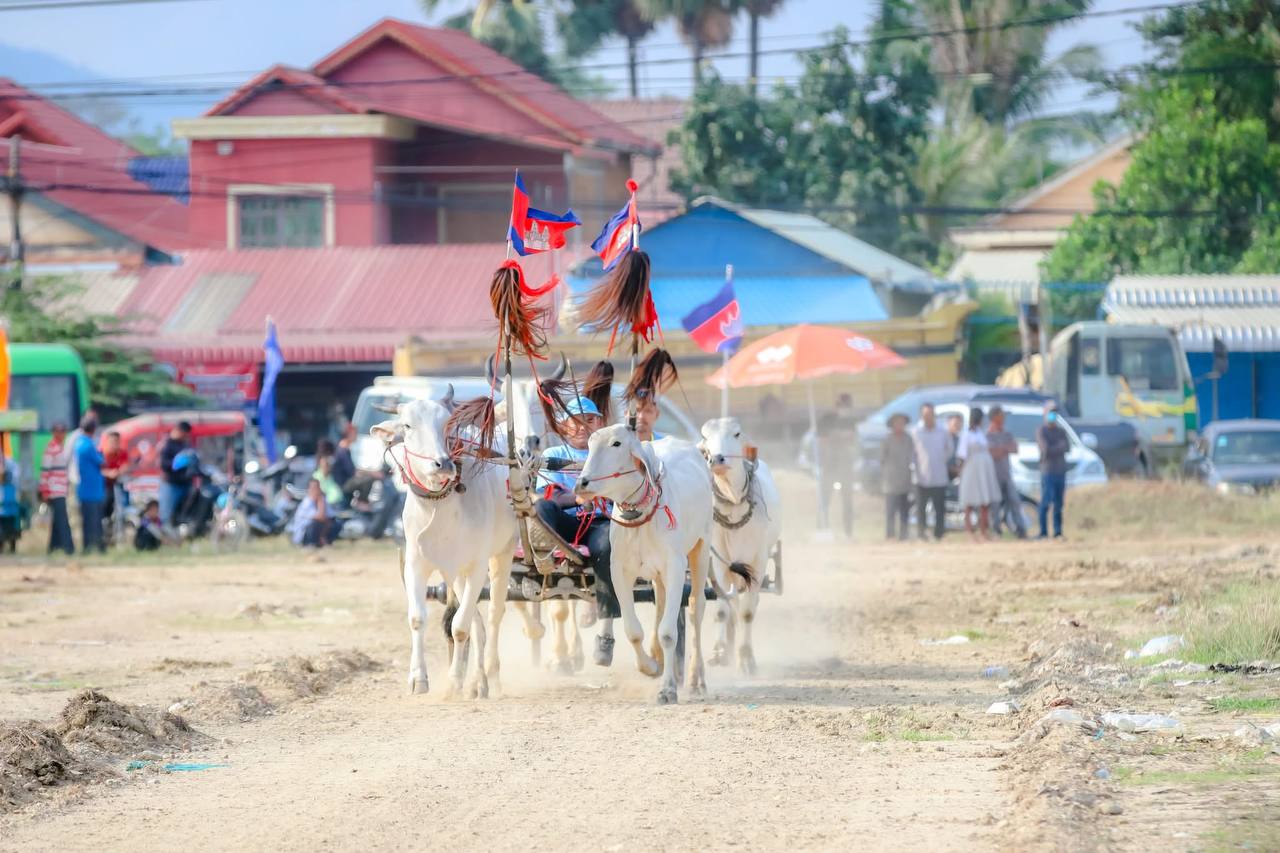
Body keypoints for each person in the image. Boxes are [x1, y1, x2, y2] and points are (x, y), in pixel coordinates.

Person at [532, 396, 617, 665]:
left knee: (607, 546)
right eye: (575, 421)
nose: (582, 427)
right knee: (542, 506)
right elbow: (550, 494)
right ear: (563, 426)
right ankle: (545, 554)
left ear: (599, 423)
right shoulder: (553, 454)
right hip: (565, 523)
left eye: (589, 420)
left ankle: (606, 632)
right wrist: (579, 498)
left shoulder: (610, 453)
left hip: (599, 522)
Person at [956, 407, 1000, 541]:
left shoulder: (980, 433)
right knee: (969, 501)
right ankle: (970, 532)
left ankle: (983, 531)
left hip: (983, 470)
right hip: (971, 469)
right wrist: (959, 471)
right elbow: (962, 455)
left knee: (984, 501)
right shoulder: (966, 434)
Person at [911, 403, 951, 541]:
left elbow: (949, 449)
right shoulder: (916, 432)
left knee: (939, 507)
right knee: (921, 508)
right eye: (925, 415)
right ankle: (921, 533)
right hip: (920, 476)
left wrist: (940, 460)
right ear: (921, 416)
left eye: (931, 414)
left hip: (939, 475)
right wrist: (915, 467)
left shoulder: (942, 431)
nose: (928, 417)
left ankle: (939, 534)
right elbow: (912, 453)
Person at [987, 406, 1027, 539]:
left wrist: (1001, 449)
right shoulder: (988, 435)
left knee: (1014, 501)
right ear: (994, 417)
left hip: (1006, 474)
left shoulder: (1007, 434)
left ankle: (1020, 529)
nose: (1003, 418)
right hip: (994, 475)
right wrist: (1005, 448)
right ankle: (996, 530)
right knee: (995, 504)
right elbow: (993, 453)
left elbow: (1014, 448)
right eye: (1001, 415)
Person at [40, 422, 75, 555]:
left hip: (61, 489)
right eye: (59, 431)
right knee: (62, 520)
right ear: (54, 433)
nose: (62, 434)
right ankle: (68, 548)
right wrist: (44, 490)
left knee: (57, 520)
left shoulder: (61, 448)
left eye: (63, 431)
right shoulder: (51, 448)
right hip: (54, 490)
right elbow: (45, 471)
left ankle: (53, 548)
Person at [1037, 403, 1070, 539]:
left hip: (1060, 471)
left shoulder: (1061, 431)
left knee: (1058, 504)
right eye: (1050, 412)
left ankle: (1058, 531)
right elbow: (1046, 449)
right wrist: (1058, 447)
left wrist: (1054, 448)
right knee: (1045, 502)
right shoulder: (1042, 431)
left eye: (1054, 413)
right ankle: (1043, 532)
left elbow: (1067, 447)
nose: (1053, 415)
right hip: (1048, 471)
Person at [74, 416, 107, 554]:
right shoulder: (88, 445)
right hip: (93, 491)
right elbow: (102, 461)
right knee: (94, 522)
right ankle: (95, 547)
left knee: (88, 522)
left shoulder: (79, 443)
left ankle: (89, 547)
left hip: (85, 490)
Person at [880, 413, 913, 541]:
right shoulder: (887, 439)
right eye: (897, 423)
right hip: (890, 480)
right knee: (890, 511)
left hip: (904, 479)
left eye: (902, 423)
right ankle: (890, 535)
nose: (900, 425)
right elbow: (882, 459)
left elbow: (911, 456)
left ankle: (904, 535)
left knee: (904, 510)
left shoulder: (908, 439)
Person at [159, 421, 193, 526]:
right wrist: (175, 464)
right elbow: (163, 464)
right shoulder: (167, 444)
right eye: (184, 434)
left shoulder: (184, 444)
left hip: (184, 483)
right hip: (170, 484)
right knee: (166, 513)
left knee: (181, 512)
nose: (185, 437)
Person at [101, 430, 129, 540]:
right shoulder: (101, 453)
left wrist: (119, 471)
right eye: (112, 441)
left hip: (117, 486)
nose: (114, 444)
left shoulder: (122, 453)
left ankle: (117, 534)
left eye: (117, 442)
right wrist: (108, 473)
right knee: (105, 509)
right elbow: (98, 470)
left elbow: (125, 465)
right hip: (104, 487)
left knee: (120, 508)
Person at [291, 479, 334, 548]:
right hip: (302, 534)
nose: (316, 490)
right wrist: (321, 501)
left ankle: (324, 541)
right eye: (314, 488)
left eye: (318, 487)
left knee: (335, 523)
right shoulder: (307, 502)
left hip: (317, 528)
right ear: (309, 489)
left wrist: (321, 500)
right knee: (315, 523)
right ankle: (310, 544)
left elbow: (331, 516)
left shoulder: (322, 499)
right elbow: (321, 517)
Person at [0, 447, 20, 552]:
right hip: (4, 505)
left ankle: (12, 545)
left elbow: (16, 478)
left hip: (10, 503)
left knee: (11, 526)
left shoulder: (10, 463)